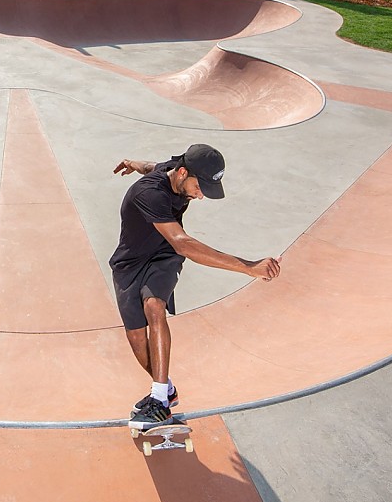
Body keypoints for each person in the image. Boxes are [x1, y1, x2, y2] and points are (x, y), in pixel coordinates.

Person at [111, 144, 281, 430]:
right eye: (199, 188)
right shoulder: (149, 194)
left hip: (164, 255)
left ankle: (159, 402)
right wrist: (248, 266)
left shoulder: (173, 169)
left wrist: (133, 162)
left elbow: (153, 166)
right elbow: (184, 242)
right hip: (130, 262)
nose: (200, 195)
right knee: (137, 338)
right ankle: (166, 390)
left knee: (154, 306)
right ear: (182, 173)